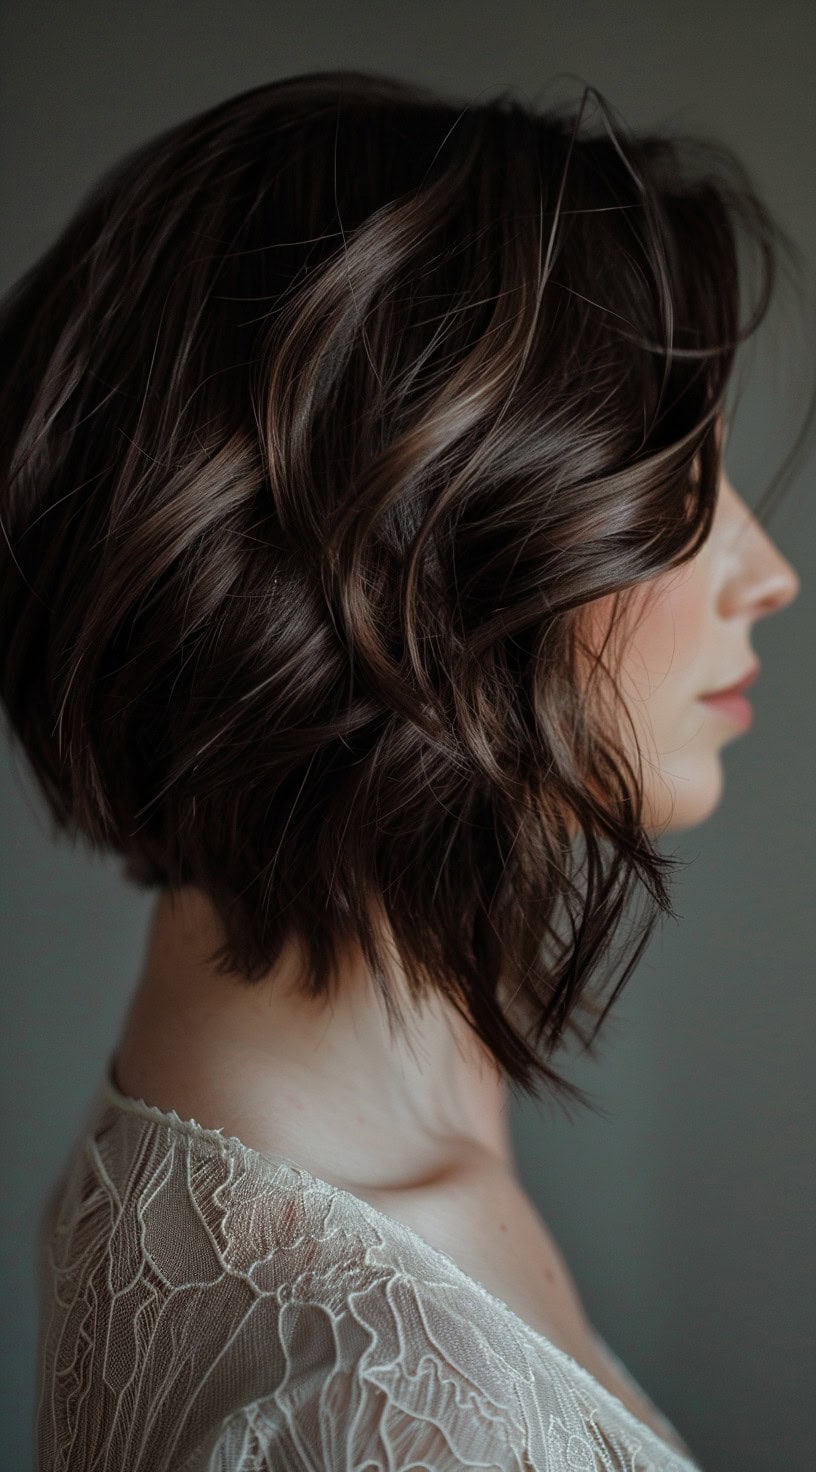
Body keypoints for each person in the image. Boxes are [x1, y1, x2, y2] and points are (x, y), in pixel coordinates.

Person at [0, 67, 804, 1471]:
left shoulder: (179, 1149)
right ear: (409, 556)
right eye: (676, 483)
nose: (770, 574)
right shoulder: (387, 1411)